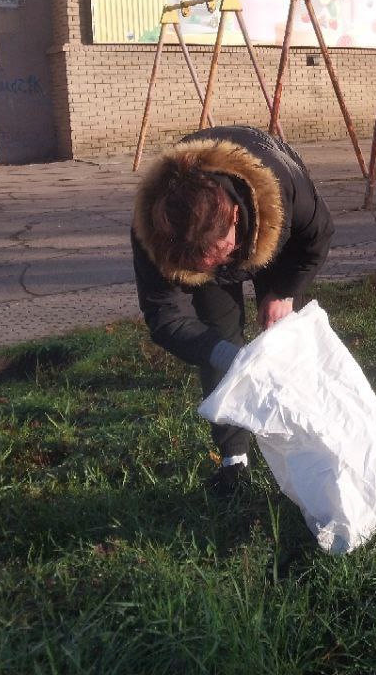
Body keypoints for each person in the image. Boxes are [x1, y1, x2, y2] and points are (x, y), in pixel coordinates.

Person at [131, 125, 334, 494]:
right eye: (199, 264)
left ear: (235, 221)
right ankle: (234, 459)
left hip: (276, 234)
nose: (211, 268)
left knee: (283, 336)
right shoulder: (155, 228)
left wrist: (285, 292)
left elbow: (317, 238)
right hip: (205, 241)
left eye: (215, 255)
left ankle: (309, 437)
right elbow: (165, 315)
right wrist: (227, 355)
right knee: (218, 338)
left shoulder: (285, 189)